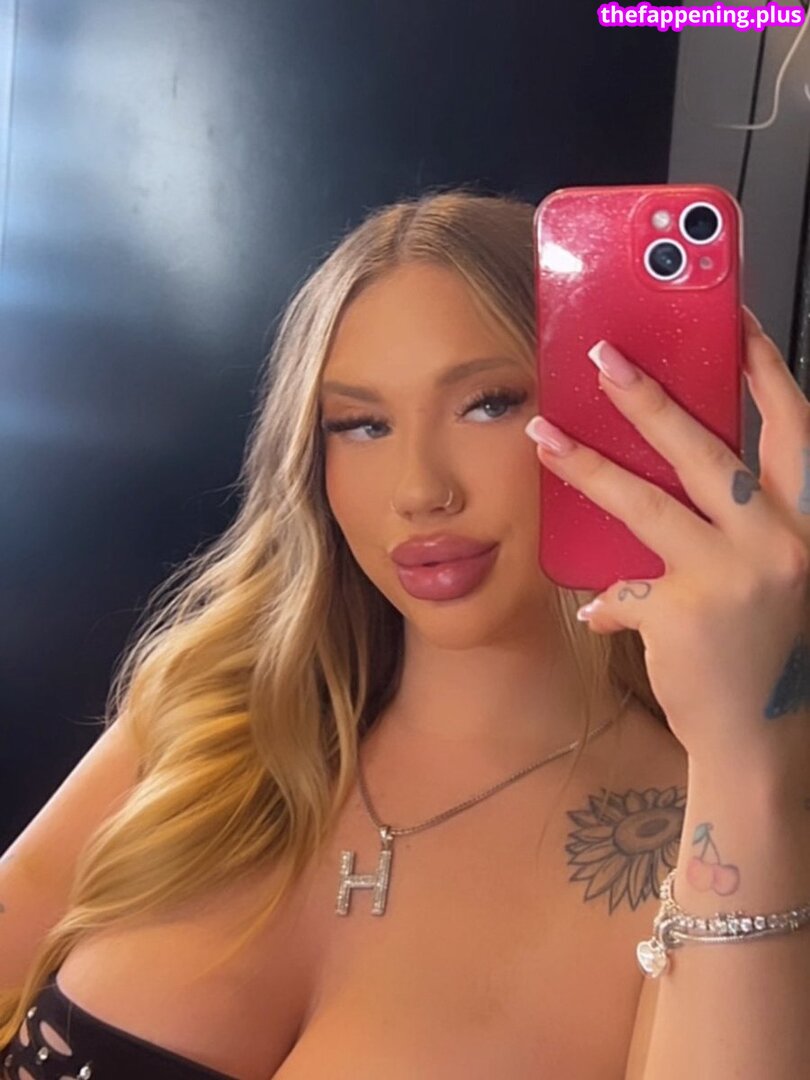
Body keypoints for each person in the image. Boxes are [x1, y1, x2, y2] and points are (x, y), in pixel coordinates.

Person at [3, 187, 799, 1078]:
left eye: (488, 404)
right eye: (361, 425)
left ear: (610, 413)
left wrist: (746, 745)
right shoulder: (213, 717)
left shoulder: (715, 833)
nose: (420, 489)